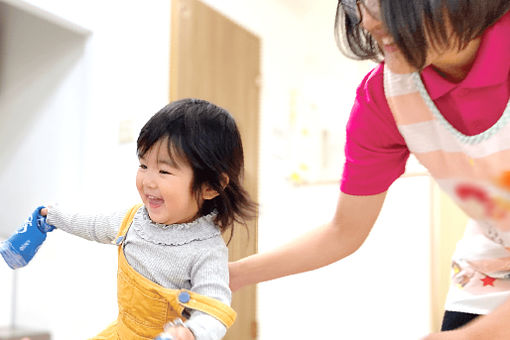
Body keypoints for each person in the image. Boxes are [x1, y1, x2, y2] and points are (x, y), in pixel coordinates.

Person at [229, 1, 510, 339]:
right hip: (493, 262)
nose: (366, 20)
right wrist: (234, 275)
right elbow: (344, 230)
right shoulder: (386, 96)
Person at [41, 98, 257, 340]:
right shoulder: (132, 220)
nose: (148, 181)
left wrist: (190, 333)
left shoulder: (206, 251)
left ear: (210, 187)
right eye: (144, 165)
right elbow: (93, 224)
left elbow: (214, 312)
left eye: (164, 171)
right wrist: (55, 216)